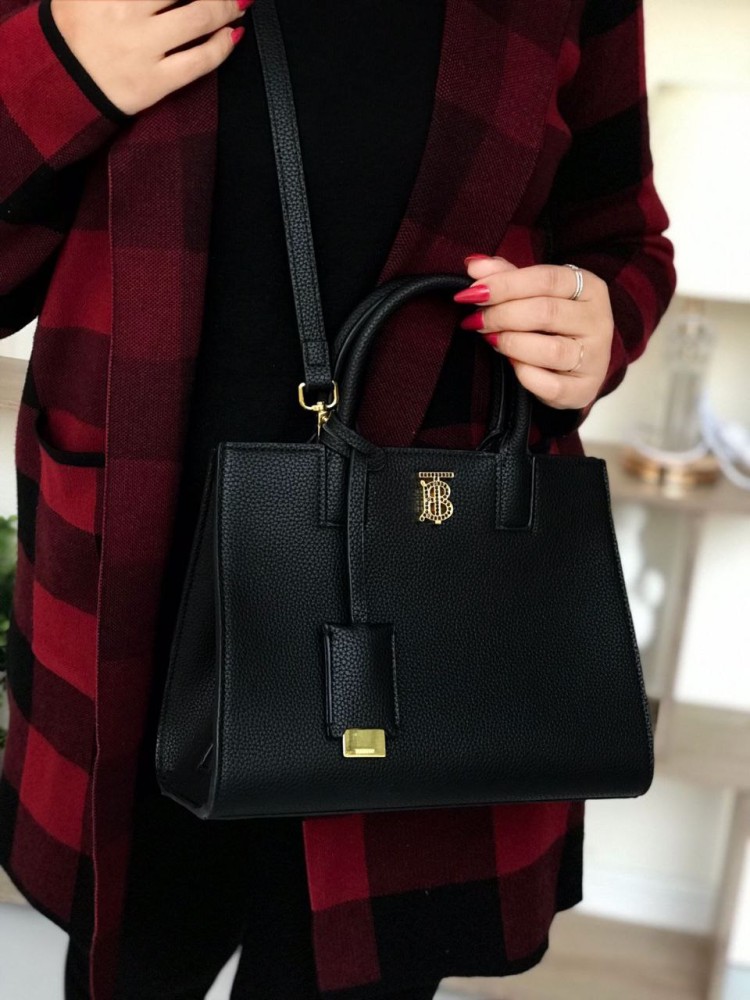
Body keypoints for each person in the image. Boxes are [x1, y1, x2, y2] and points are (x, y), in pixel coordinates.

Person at [0, 0, 676, 998]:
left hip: (432, 600)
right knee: (136, 955)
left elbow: (622, 238)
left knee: (365, 968)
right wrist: (61, 69)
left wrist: (598, 322)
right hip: (141, 597)